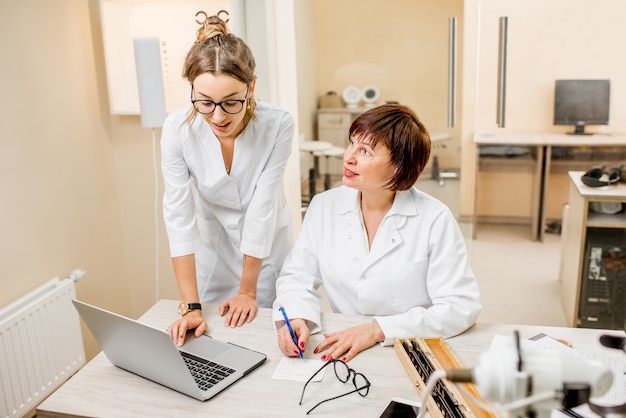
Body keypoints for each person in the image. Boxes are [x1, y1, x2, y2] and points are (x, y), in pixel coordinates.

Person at [273, 104, 481, 362]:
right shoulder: (323, 206)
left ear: (398, 167)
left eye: (365, 152)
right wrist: (296, 317)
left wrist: (378, 329)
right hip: (340, 344)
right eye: (352, 144)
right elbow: (297, 276)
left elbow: (460, 307)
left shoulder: (434, 219)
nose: (348, 157)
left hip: (407, 346)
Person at [162, 15, 294, 346]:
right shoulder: (177, 130)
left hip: (264, 256)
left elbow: (262, 207)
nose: (218, 117)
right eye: (204, 102)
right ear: (191, 88)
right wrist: (190, 307)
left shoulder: (278, 125)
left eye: (231, 102)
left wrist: (248, 290)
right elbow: (179, 217)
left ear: (251, 87)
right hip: (214, 252)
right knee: (211, 343)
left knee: (265, 341)